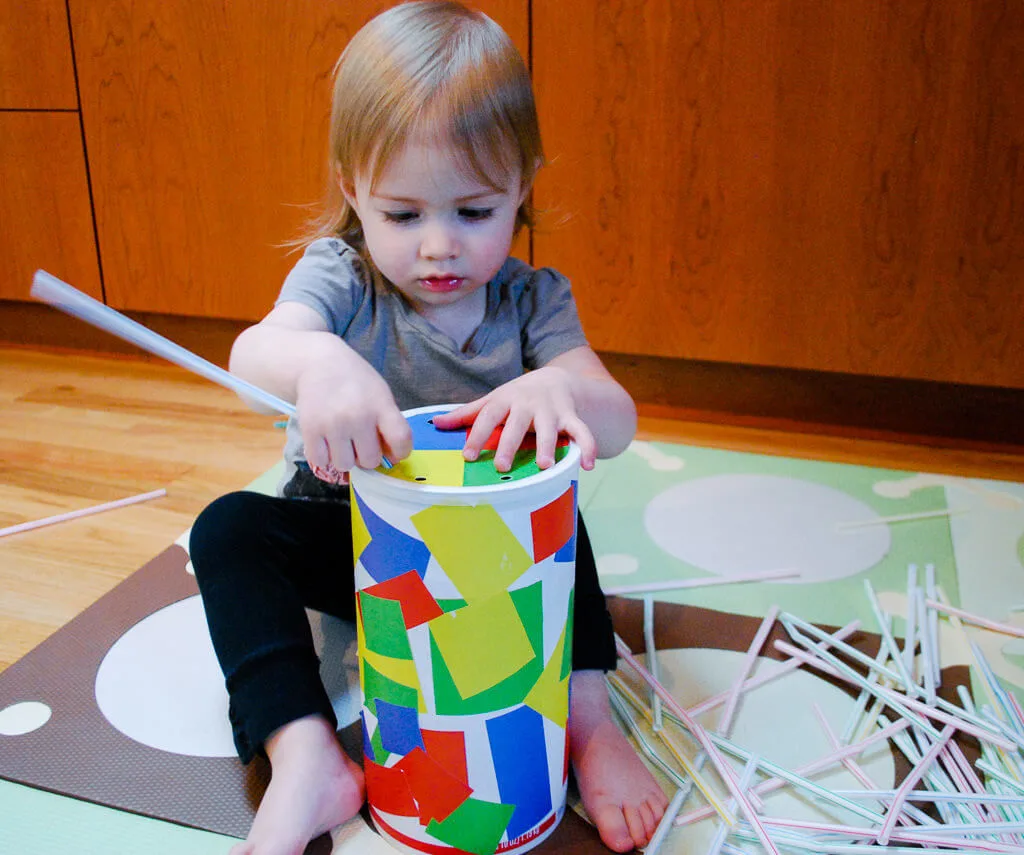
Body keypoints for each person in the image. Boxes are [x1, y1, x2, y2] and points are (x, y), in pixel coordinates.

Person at [189, 2, 669, 853]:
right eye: (404, 215)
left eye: (474, 212)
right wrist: (315, 364)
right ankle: (305, 757)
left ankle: (590, 726)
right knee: (225, 528)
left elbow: (617, 414)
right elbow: (254, 350)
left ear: (522, 185)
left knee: (564, 513)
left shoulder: (532, 303)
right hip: (356, 547)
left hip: (489, 566)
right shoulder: (341, 276)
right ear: (353, 189)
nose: (438, 247)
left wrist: (558, 388)